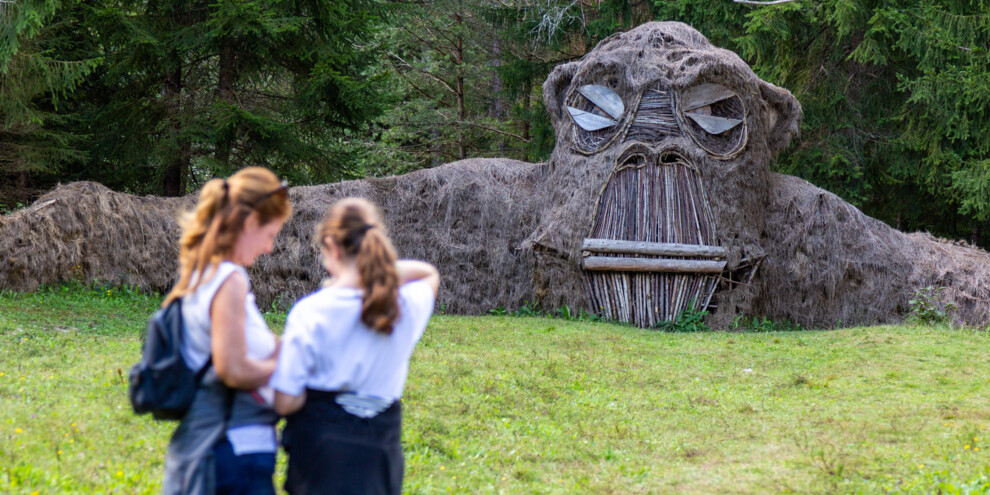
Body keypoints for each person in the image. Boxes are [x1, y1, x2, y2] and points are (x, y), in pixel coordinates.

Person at [270, 197, 440, 495]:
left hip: (319, 458)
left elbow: (285, 402)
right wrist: (375, 274)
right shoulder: (404, 306)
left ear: (331, 246)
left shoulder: (311, 311)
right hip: (379, 458)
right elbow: (428, 274)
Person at [161, 167, 291, 495]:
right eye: (270, 234)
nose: (269, 248)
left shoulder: (201, 274)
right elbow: (232, 368)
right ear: (249, 223)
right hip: (233, 453)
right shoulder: (229, 280)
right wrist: (285, 362)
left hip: (206, 447)